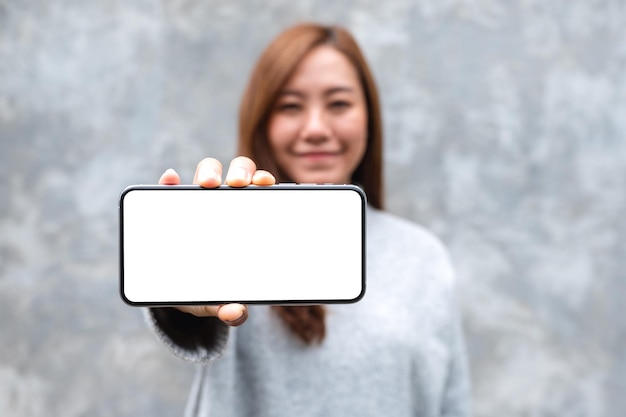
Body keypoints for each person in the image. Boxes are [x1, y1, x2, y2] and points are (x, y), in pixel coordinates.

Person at [146, 22, 472, 417]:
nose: (316, 129)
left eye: (338, 104)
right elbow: (190, 320)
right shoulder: (230, 236)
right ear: (262, 121)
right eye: (290, 106)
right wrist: (178, 288)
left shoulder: (423, 256)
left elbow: (451, 404)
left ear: (369, 118)